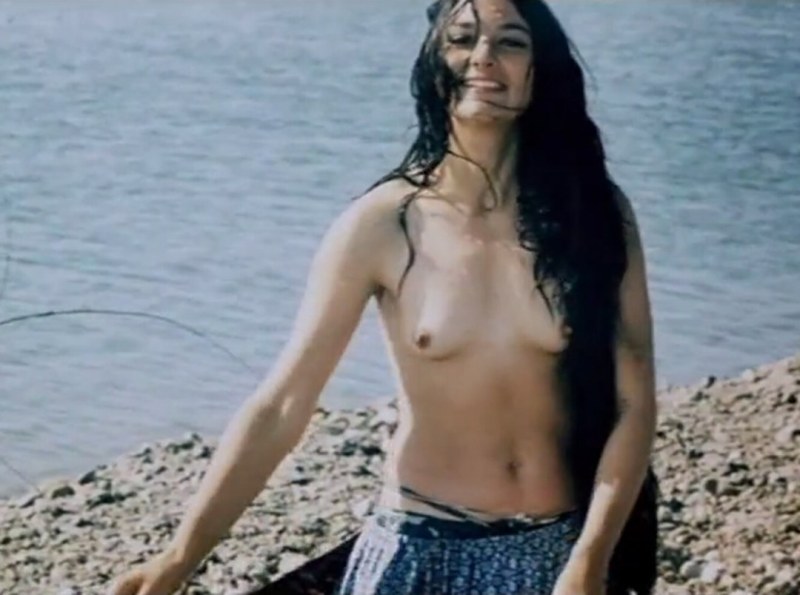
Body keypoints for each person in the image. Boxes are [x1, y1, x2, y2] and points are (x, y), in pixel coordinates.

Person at [112, 0, 659, 593]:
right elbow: (283, 405)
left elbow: (634, 403)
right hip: (415, 549)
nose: (483, 57)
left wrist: (590, 560)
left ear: (539, 69)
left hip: (552, 551)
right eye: (462, 39)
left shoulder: (593, 216)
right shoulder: (381, 224)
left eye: (511, 42)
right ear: (433, 63)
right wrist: (179, 557)